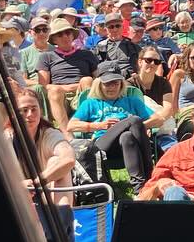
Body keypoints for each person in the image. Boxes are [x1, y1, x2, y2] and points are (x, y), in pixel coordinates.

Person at [67, 63, 164, 193]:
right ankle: (150, 175)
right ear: (99, 84)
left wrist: (137, 127)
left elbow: (159, 120)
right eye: (107, 84)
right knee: (134, 119)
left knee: (127, 136)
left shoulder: (132, 101)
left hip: (127, 146)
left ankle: (139, 188)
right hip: (102, 145)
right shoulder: (90, 103)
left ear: (121, 84)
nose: (112, 87)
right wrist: (99, 125)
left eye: (115, 83)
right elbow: (71, 126)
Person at [36, 17, 100, 127]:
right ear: (54, 39)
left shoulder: (86, 54)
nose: (65, 36)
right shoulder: (46, 56)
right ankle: (66, 132)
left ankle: (90, 124)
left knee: (87, 80)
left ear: (72, 35)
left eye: (67, 33)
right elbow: (43, 85)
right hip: (59, 96)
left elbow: (97, 78)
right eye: (60, 34)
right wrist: (66, 88)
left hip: (82, 91)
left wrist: (78, 86)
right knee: (54, 90)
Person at [133, 45, 178, 153]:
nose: (153, 64)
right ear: (140, 62)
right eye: (148, 60)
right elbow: (131, 110)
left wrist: (155, 122)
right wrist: (144, 127)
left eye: (157, 62)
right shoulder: (129, 84)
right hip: (138, 127)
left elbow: (168, 108)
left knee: (172, 149)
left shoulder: (163, 83)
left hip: (160, 127)